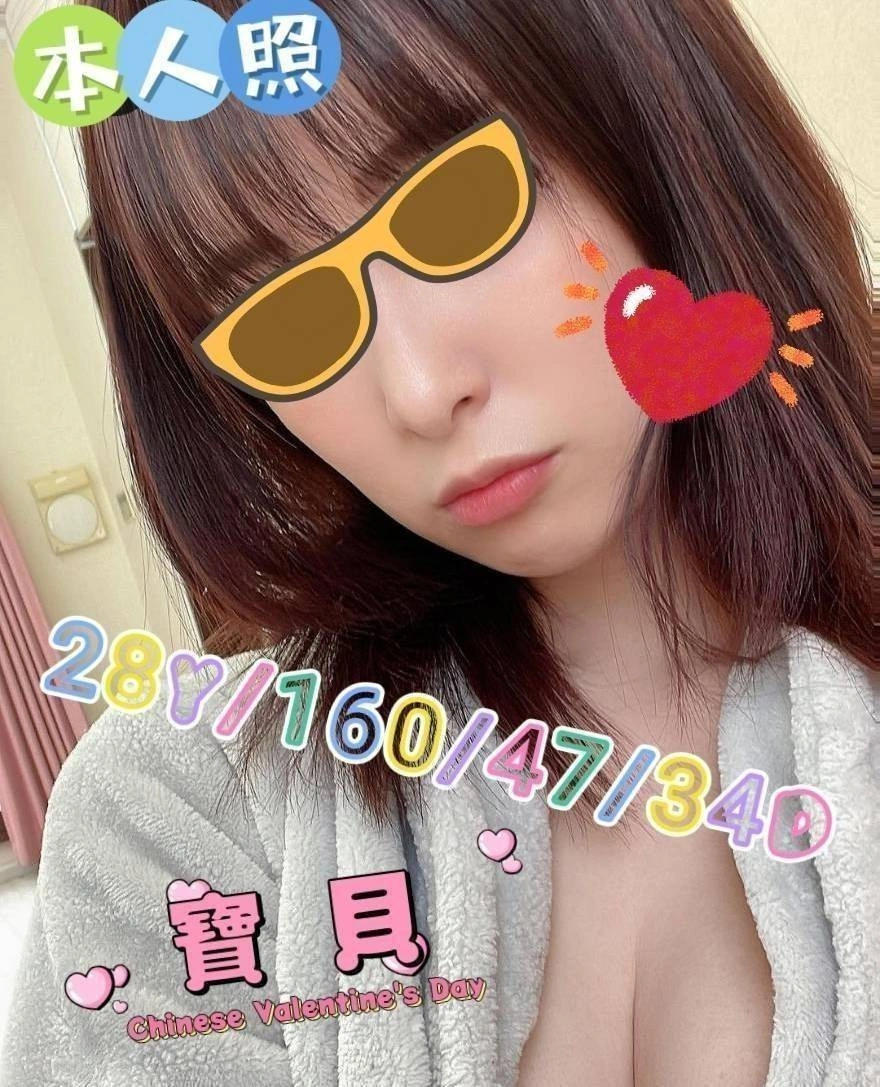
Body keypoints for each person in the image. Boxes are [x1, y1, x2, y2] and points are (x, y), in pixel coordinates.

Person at [3, 1, 875, 1085]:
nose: (420, 390)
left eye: (461, 204)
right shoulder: (174, 816)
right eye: (286, 317)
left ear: (648, 114)